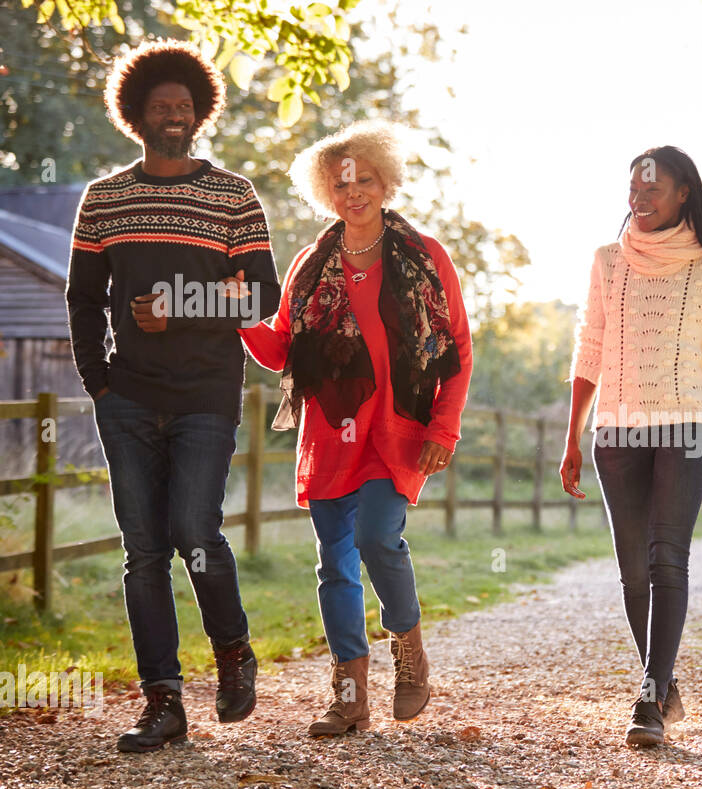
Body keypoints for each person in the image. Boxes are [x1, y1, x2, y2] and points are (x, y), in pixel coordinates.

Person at [67, 40, 280, 752]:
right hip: (126, 396)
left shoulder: (233, 196)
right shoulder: (104, 199)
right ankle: (163, 703)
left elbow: (262, 297)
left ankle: (233, 650)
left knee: (194, 530)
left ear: (199, 113)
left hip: (205, 396)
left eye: (183, 107)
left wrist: (182, 306)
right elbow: (82, 298)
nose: (172, 116)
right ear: (136, 114)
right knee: (143, 551)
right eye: (160, 107)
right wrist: (98, 384)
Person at [239, 120, 473, 735]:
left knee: (376, 538)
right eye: (341, 184)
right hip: (330, 432)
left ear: (385, 182)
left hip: (396, 429)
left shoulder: (425, 257)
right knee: (334, 565)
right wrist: (239, 313)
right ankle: (349, 696)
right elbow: (280, 348)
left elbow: (457, 348)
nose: (354, 193)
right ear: (327, 192)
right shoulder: (312, 265)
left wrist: (443, 431)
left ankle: (410, 651)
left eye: (365, 179)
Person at [560, 146, 702, 748]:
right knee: (632, 570)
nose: (639, 198)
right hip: (616, 431)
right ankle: (662, 681)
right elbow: (589, 346)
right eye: (633, 187)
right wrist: (573, 436)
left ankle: (648, 697)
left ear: (682, 195)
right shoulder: (607, 261)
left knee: (666, 557)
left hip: (688, 429)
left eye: (654, 187)